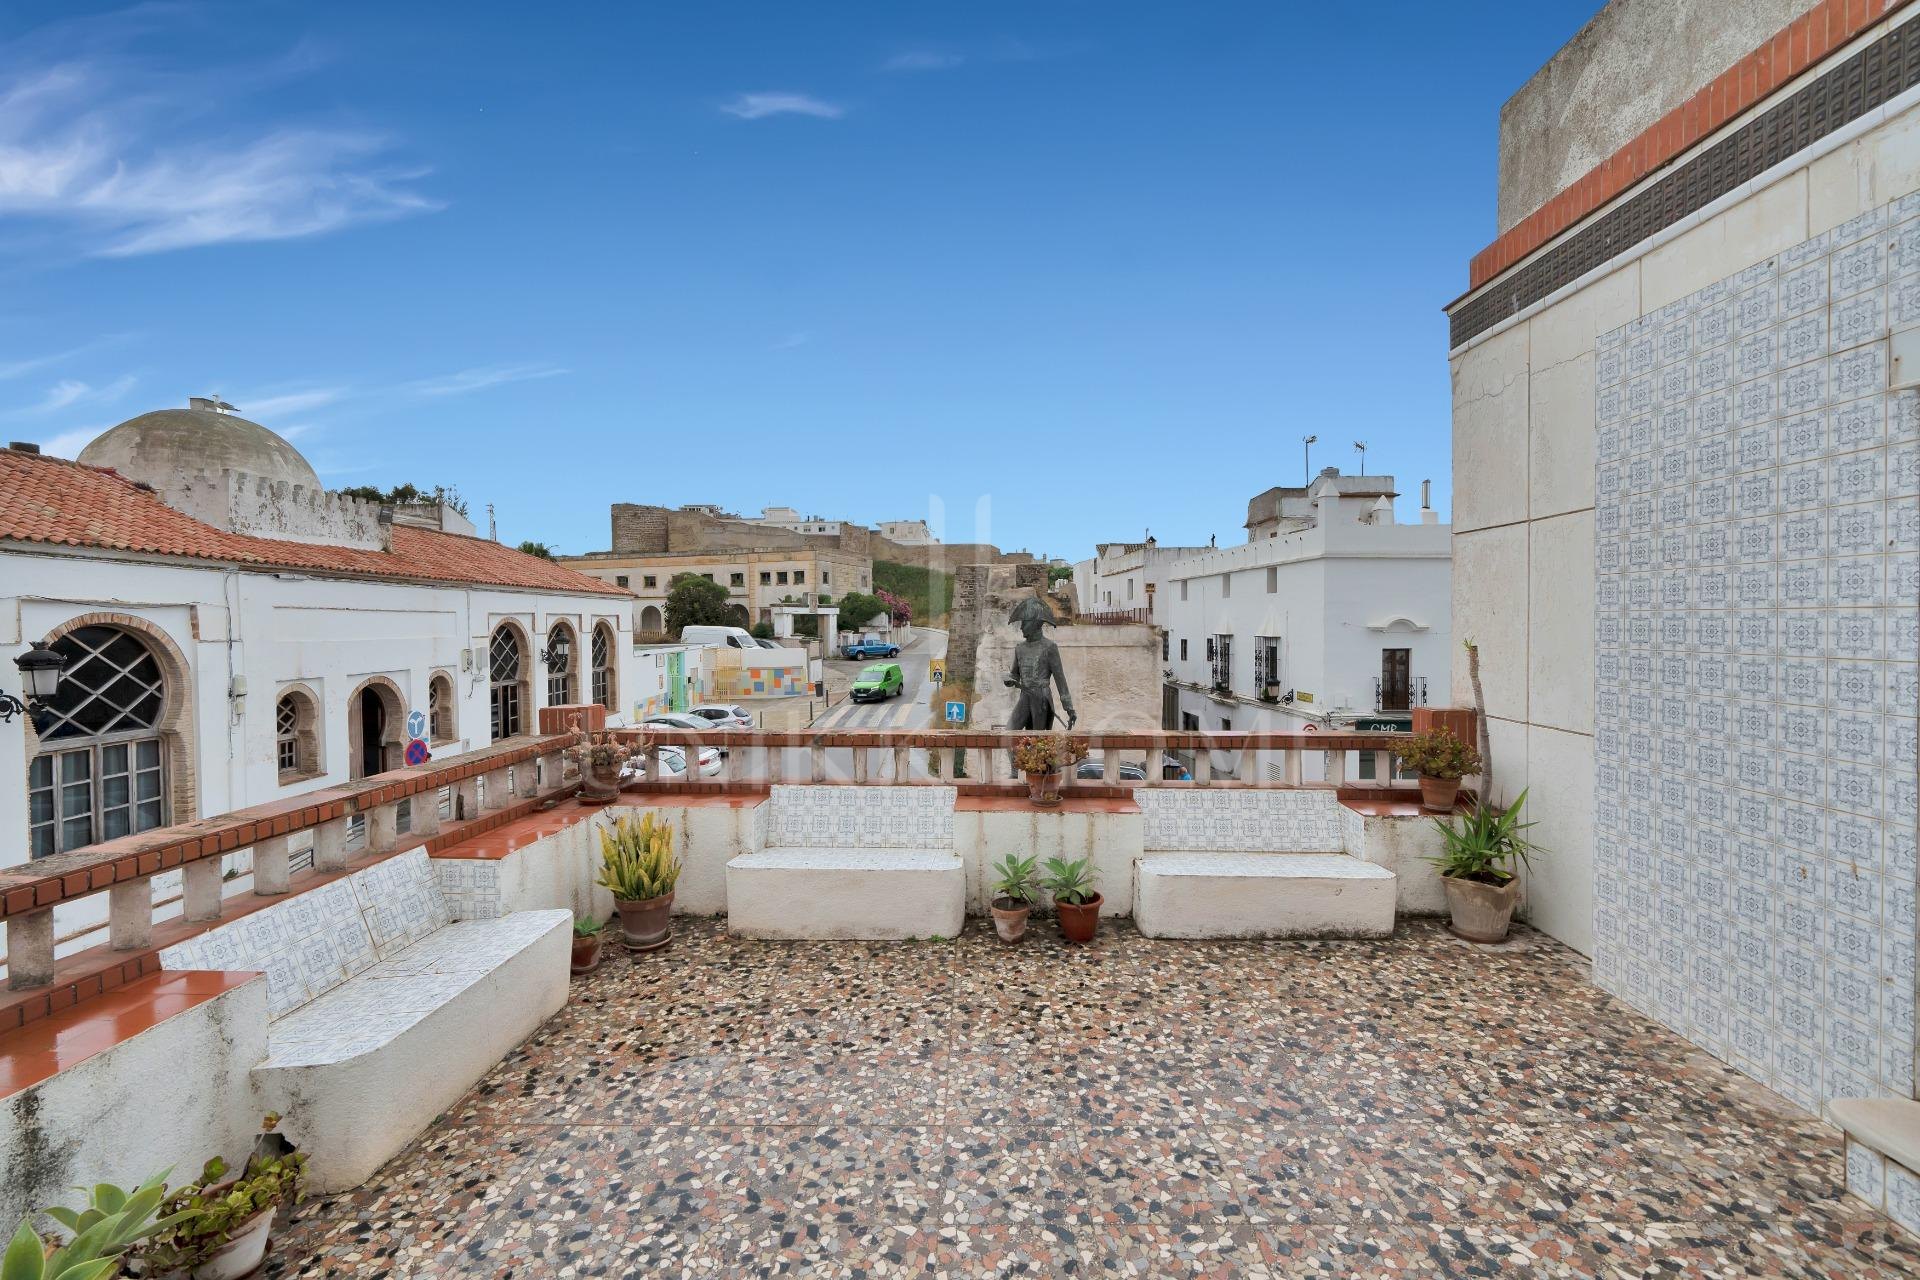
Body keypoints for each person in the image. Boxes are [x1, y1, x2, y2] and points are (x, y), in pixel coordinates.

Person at [1004, 599, 1077, 732]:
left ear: (1034, 623)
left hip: (1041, 698)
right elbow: (1015, 674)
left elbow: (1060, 680)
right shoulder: (1020, 648)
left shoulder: (1049, 647)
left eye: (1024, 623)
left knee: (1037, 738)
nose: (1021, 627)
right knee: (1009, 732)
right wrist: (1010, 679)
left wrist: (1069, 708)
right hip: (1025, 696)